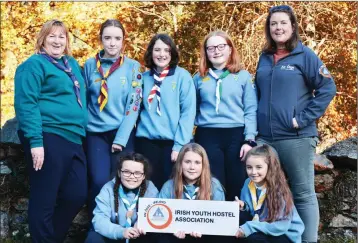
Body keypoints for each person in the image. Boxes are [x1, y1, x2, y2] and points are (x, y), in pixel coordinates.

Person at [254, 5, 336, 243]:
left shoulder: (305, 55)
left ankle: (308, 240)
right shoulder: (265, 57)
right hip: (265, 138)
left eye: (283, 23)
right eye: (273, 24)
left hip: (296, 137)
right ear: (269, 29)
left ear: (292, 26)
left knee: (302, 194)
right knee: (263, 192)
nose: (278, 28)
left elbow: (327, 88)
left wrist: (302, 118)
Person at [14, 20, 87, 243]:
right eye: (52, 36)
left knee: (77, 194)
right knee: (44, 197)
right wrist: (36, 142)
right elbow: (27, 104)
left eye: (62, 36)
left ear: (67, 41)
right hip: (48, 135)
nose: (57, 41)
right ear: (42, 40)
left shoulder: (72, 64)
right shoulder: (34, 65)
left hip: (74, 138)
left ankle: (50, 239)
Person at [84, 19, 143, 220]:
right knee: (99, 180)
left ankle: (122, 225)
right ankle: (97, 225)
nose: (112, 43)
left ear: (123, 41)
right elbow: (84, 101)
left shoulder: (133, 67)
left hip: (122, 133)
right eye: (107, 38)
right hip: (95, 133)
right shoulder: (90, 65)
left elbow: (133, 106)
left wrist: (121, 138)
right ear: (100, 39)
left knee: (123, 180)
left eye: (117, 38)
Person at [193, 30, 257, 201]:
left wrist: (249, 139)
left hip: (236, 135)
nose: (216, 51)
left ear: (230, 49)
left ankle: (238, 225)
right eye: (211, 48)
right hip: (207, 135)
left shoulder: (243, 77)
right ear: (205, 52)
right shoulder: (198, 78)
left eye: (221, 46)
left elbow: (250, 109)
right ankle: (214, 226)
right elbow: (192, 109)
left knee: (237, 182)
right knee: (213, 183)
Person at [135, 33, 196, 190]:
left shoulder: (183, 77)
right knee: (148, 189)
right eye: (157, 50)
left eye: (166, 50)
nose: (161, 54)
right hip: (146, 142)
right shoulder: (143, 78)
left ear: (172, 53)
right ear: (151, 52)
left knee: (172, 188)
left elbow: (188, 113)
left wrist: (179, 145)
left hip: (172, 144)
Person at [235, 145, 304, 243]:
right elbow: (253, 210)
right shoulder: (248, 183)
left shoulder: (278, 189)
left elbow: (281, 226)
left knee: (254, 239)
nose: (253, 172)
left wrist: (249, 227)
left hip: (284, 234)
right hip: (261, 226)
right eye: (249, 167)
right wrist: (243, 206)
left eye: (259, 167)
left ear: (269, 167)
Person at [158, 143, 225, 243]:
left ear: (204, 165)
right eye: (187, 162)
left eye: (197, 162)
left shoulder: (214, 185)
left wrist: (205, 230)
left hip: (205, 237)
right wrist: (171, 229)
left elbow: (220, 218)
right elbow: (160, 217)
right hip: (176, 237)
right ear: (180, 163)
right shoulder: (169, 186)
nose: (192, 167)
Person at [85, 152, 159, 243]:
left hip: (139, 236)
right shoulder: (108, 189)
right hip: (115, 236)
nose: (132, 177)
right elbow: (99, 220)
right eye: (127, 172)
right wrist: (122, 232)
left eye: (137, 173)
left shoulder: (150, 189)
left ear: (143, 176)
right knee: (93, 238)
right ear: (119, 173)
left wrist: (143, 223)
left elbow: (156, 215)